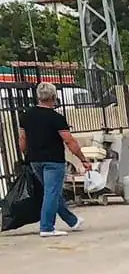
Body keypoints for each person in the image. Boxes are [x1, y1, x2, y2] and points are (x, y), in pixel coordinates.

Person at [18, 83, 86, 238]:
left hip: (35, 160)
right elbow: (70, 141)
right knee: (51, 192)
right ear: (54, 97)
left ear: (38, 96)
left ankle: (72, 220)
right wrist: (82, 159)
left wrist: (25, 155)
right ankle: (47, 227)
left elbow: (22, 138)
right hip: (53, 161)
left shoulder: (26, 116)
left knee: (52, 192)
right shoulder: (57, 118)